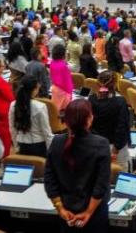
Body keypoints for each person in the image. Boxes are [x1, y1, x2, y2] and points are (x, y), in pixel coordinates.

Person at [44, 99, 111, 232]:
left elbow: (49, 179)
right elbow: (101, 185)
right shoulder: (101, 144)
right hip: (94, 214)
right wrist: (88, 213)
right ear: (89, 119)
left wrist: (60, 208)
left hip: (66, 211)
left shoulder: (56, 142)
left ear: (66, 121)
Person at [88, 71, 130, 172]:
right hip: (116, 148)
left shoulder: (91, 99)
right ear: (115, 83)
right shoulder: (120, 101)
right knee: (120, 179)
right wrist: (115, 150)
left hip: (96, 145)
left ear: (98, 83)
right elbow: (122, 126)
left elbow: (89, 125)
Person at [9, 76, 53, 157]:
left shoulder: (13, 105)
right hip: (39, 146)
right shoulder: (40, 107)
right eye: (37, 88)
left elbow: (12, 128)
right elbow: (46, 132)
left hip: (21, 144)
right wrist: (51, 150)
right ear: (33, 90)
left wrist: (16, 146)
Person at [0, 59, 15, 158]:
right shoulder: (0, 82)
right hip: (2, 114)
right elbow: (11, 98)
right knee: (5, 139)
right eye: (2, 67)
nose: (4, 68)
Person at [50, 45, 73, 113]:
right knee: (64, 111)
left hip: (55, 88)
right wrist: (70, 94)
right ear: (63, 54)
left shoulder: (52, 62)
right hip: (63, 91)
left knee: (55, 109)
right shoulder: (63, 66)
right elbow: (68, 82)